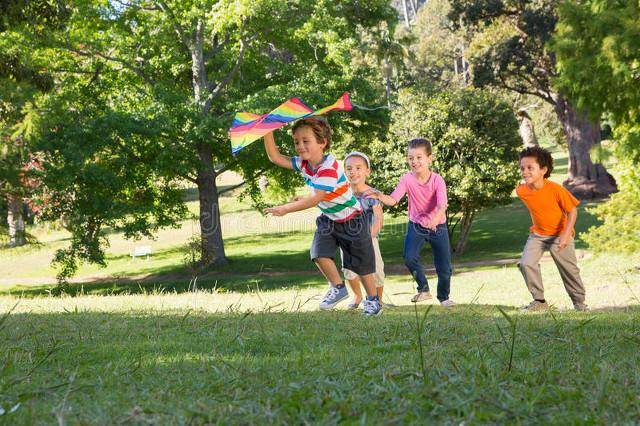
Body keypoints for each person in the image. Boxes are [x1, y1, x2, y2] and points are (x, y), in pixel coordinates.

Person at [262, 117, 382, 316]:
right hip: (329, 219)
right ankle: (338, 287)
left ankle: (372, 300)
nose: (300, 146)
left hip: (352, 220)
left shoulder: (328, 167)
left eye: (306, 141)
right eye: (296, 141)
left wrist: (286, 208)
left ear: (322, 142)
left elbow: (316, 198)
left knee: (362, 265)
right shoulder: (305, 164)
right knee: (318, 252)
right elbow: (276, 157)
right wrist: (267, 130)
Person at [366, 138, 455, 307]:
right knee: (409, 257)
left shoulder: (437, 180)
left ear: (430, 158)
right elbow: (393, 199)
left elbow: (442, 204)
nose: (414, 162)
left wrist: (435, 218)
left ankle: (444, 298)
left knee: (444, 267)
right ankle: (423, 289)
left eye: (419, 157)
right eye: (410, 158)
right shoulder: (407, 179)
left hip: (438, 226)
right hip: (416, 225)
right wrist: (378, 195)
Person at [516, 146, 588, 311]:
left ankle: (580, 304)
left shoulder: (556, 190)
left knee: (569, 271)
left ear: (543, 170)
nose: (525, 172)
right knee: (526, 263)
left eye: (530, 168)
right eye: (522, 168)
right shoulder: (521, 191)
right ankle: (540, 302)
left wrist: (565, 234)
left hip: (560, 234)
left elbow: (572, 210)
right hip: (538, 235)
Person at [341, 151, 386, 309]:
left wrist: (371, 235)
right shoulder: (343, 193)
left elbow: (379, 217)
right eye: (349, 168)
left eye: (358, 168)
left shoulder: (371, 194)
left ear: (367, 171)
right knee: (350, 271)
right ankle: (358, 296)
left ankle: (377, 300)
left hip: (369, 238)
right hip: (348, 238)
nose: (353, 172)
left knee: (377, 271)